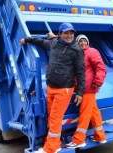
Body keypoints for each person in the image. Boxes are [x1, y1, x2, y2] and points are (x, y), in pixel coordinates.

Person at [19, 22, 85, 153]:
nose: (69, 36)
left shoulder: (77, 50)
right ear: (60, 34)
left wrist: (80, 92)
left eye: (71, 33)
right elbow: (40, 42)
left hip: (64, 89)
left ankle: (51, 148)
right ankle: (55, 142)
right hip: (51, 87)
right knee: (50, 117)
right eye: (66, 33)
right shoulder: (54, 43)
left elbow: (81, 72)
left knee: (55, 118)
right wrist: (26, 40)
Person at [66, 35, 107, 149]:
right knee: (94, 112)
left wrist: (98, 81)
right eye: (80, 41)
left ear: (87, 42)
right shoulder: (77, 54)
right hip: (83, 88)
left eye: (84, 40)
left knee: (84, 114)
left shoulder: (92, 51)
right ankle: (100, 136)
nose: (83, 42)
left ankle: (78, 139)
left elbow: (101, 68)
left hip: (88, 88)